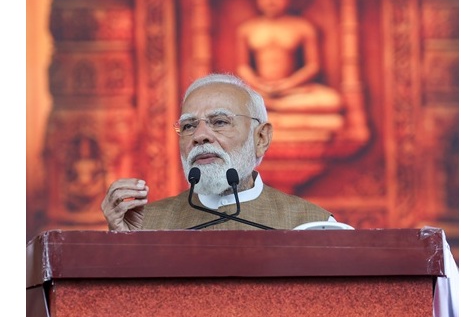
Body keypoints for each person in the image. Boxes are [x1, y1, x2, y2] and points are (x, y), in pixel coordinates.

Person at [101, 73, 336, 231]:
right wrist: (122, 245)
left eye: (220, 122)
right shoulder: (144, 224)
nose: (200, 136)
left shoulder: (311, 224)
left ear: (261, 138)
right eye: (189, 126)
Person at [234, 0, 341, 111]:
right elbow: (243, 67)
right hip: (259, 89)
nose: (271, 0)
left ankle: (270, 106)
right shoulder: (247, 29)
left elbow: (313, 66)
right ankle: (267, 104)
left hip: (292, 91)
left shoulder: (303, 27)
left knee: (332, 100)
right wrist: (260, 85)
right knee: (225, 98)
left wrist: (287, 85)